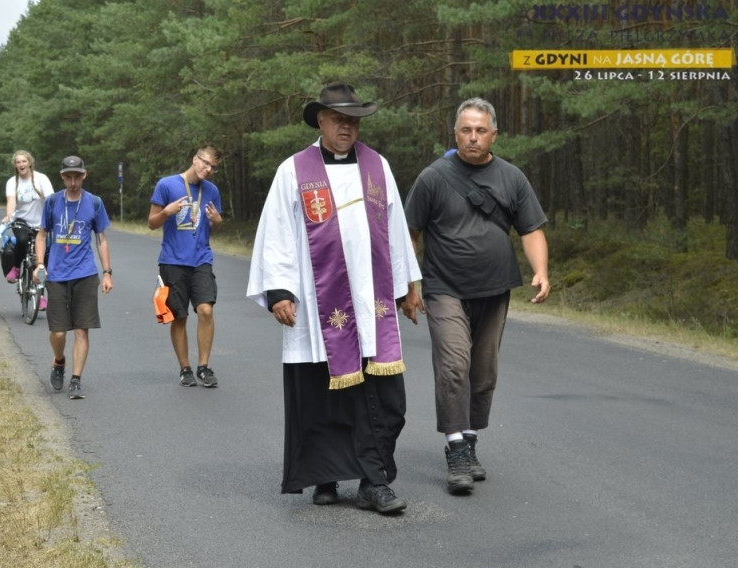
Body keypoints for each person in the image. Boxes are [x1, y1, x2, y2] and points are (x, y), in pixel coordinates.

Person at [246, 84, 423, 515]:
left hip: (372, 305)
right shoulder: (294, 170)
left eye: (353, 119)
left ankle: (372, 480)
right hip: (316, 306)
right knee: (323, 397)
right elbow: (277, 235)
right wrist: (280, 292)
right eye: (338, 118)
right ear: (321, 120)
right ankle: (330, 476)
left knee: (388, 403)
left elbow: (396, 230)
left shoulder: (377, 166)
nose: (347, 126)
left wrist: (408, 286)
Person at [403, 97, 551, 495]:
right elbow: (408, 235)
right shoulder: (433, 177)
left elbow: (531, 229)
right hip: (444, 287)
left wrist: (540, 270)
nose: (473, 137)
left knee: (483, 372)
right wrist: (408, 286)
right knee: (454, 365)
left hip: (494, 287)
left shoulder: (512, 178)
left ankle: (468, 440)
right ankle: (454, 449)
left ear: (494, 135)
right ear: (455, 134)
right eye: (466, 130)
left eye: (480, 130)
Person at [33, 156, 113, 400]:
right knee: (58, 332)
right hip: (57, 274)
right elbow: (42, 235)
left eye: (77, 176)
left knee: (81, 330)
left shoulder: (95, 203)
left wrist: (107, 272)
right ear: (62, 177)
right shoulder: (53, 202)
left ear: (84, 175)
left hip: (85, 274)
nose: (73, 181)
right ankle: (59, 361)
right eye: (68, 177)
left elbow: (101, 238)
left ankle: (76, 380)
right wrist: (39, 264)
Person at [148, 144, 224, 388]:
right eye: (205, 163)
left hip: (201, 258)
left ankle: (204, 366)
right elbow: (151, 223)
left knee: (206, 310)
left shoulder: (211, 191)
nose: (208, 169)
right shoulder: (167, 185)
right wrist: (167, 212)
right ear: (195, 159)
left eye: (213, 167)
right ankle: (185, 369)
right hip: (172, 260)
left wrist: (217, 222)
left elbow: (213, 226)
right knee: (179, 317)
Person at [1, 150, 55, 310]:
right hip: (21, 221)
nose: (21, 165)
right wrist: (8, 216)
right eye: (18, 162)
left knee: (40, 259)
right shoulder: (13, 182)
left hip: (41, 222)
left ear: (30, 163)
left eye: (23, 161)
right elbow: (11, 201)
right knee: (23, 240)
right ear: (15, 166)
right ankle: (16, 268)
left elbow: (51, 199)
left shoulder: (41, 178)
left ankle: (41, 296)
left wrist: (55, 216)